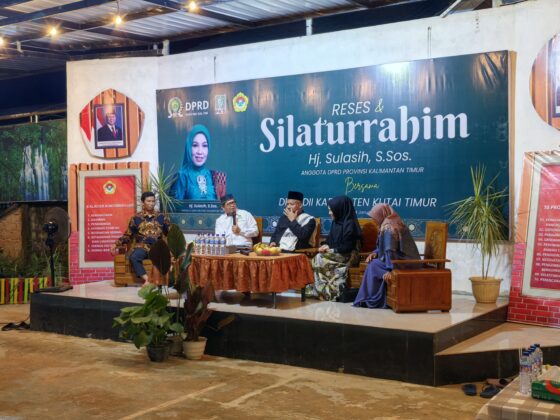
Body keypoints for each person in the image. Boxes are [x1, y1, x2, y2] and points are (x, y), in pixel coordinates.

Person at [353, 203, 420, 309]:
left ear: (381, 214)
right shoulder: (393, 220)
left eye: (375, 217)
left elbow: (390, 250)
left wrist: (391, 270)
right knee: (374, 263)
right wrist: (375, 252)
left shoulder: (388, 226)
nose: (373, 220)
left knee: (373, 266)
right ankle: (372, 298)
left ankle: (374, 300)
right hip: (404, 259)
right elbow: (385, 247)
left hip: (403, 262)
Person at [309, 195, 361, 301]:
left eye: (331, 210)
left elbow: (348, 247)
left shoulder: (350, 224)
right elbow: (330, 240)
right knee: (318, 257)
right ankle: (321, 291)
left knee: (319, 258)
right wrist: (326, 245)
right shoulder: (336, 222)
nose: (329, 213)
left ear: (339, 209)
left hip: (348, 255)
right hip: (337, 253)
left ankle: (330, 292)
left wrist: (331, 250)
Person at [112, 191, 171, 286]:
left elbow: (171, 233)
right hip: (142, 247)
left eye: (153, 201)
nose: (151, 203)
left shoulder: (162, 217)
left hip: (158, 248)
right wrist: (116, 243)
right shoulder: (136, 218)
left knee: (166, 257)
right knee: (134, 257)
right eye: (148, 201)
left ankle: (161, 280)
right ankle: (147, 279)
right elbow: (128, 235)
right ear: (143, 203)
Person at [173, 124, 226, 201]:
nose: (200, 152)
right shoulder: (182, 176)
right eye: (195, 145)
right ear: (188, 147)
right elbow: (175, 207)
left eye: (204, 146)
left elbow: (222, 205)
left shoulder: (215, 176)